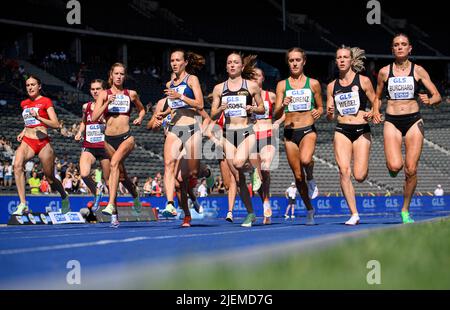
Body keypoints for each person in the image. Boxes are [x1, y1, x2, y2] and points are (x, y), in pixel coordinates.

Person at [374, 33, 442, 224]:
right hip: (392, 121)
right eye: (396, 45)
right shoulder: (384, 72)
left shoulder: (418, 70)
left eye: (404, 44)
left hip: (413, 120)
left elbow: (437, 95)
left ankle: (405, 209)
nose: (400, 47)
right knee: (395, 166)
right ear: (392, 49)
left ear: (410, 48)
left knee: (411, 169)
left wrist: (430, 100)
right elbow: (378, 96)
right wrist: (375, 110)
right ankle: (393, 168)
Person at [210, 52, 265, 227]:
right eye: (229, 63)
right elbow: (212, 113)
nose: (232, 65)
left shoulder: (251, 86)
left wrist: (252, 108)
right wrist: (220, 108)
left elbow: (262, 108)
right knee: (238, 177)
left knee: (240, 163)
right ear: (226, 67)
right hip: (228, 134)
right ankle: (250, 214)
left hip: (246, 131)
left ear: (241, 66)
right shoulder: (219, 88)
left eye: (236, 62)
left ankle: (254, 169)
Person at [326, 45, 377, 225]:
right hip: (342, 130)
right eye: (338, 57)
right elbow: (330, 115)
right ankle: (354, 213)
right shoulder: (332, 86)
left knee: (360, 175)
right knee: (343, 171)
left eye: (345, 57)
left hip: (361, 129)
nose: (341, 60)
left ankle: (363, 167)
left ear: (351, 60)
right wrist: (330, 112)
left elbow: (375, 99)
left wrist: (373, 112)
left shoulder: (363, 81)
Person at [92, 63, 146, 228]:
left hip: (126, 138)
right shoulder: (104, 94)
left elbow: (142, 110)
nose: (119, 76)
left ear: (124, 76)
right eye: (116, 73)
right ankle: (131, 199)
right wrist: (107, 103)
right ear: (111, 75)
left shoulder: (131, 94)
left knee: (115, 163)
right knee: (118, 177)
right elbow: (94, 118)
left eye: (122, 74)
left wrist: (140, 118)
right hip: (108, 140)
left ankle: (109, 204)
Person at [274, 47, 323, 225]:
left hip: (308, 128)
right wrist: (282, 104)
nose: (294, 63)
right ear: (288, 62)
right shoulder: (282, 85)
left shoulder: (313, 83)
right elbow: (275, 112)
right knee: (297, 176)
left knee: (305, 160)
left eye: (297, 60)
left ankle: (311, 177)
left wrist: (318, 111)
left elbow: (320, 107)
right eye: (291, 60)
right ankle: (310, 209)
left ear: (304, 61)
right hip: (289, 132)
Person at [158, 50, 206, 228]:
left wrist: (181, 96)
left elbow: (200, 104)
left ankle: (205, 172)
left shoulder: (192, 80)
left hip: (192, 127)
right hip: (175, 128)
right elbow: (175, 107)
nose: (174, 63)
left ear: (185, 62)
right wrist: (164, 113)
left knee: (191, 173)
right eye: (172, 60)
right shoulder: (169, 83)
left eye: (178, 60)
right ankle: (171, 205)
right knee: (169, 165)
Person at [13, 75, 70, 215]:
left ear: (39, 86)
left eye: (33, 84)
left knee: (50, 178)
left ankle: (64, 195)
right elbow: (28, 122)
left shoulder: (45, 101)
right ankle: (22, 203)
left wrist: (39, 117)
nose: (30, 87)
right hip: (28, 141)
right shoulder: (24, 103)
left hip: (43, 142)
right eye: (28, 85)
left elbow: (56, 124)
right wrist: (23, 131)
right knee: (17, 165)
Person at [251, 67, 285, 225]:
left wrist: (277, 123)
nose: (255, 78)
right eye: (252, 76)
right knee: (257, 178)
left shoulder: (270, 96)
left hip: (268, 133)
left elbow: (285, 111)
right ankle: (265, 201)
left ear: (263, 78)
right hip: (251, 136)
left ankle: (266, 201)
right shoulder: (246, 98)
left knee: (265, 168)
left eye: (258, 76)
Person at [75, 79, 110, 208]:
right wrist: (79, 132)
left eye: (98, 89)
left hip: (105, 147)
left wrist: (105, 123)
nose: (95, 91)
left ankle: (112, 208)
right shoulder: (86, 106)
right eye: (93, 89)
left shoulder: (109, 106)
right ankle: (97, 192)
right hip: (89, 145)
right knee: (84, 174)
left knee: (108, 180)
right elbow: (84, 121)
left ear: (104, 90)